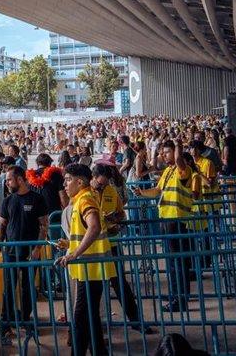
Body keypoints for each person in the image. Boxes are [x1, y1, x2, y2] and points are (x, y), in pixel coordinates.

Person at [57, 164, 116, 356]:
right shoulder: (81, 200)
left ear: (80, 182)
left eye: (68, 180)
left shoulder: (85, 200)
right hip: (90, 269)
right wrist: (70, 245)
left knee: (80, 318)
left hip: (91, 269)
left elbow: (94, 227)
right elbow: (86, 232)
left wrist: (74, 254)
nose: (65, 184)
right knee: (90, 316)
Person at [134, 140, 193, 312]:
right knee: (171, 262)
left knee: (178, 263)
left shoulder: (184, 170)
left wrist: (179, 147)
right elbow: (157, 191)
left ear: (175, 152)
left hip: (177, 221)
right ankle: (175, 294)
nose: (164, 155)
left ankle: (180, 299)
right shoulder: (167, 171)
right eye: (163, 152)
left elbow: (180, 160)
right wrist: (142, 193)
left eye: (167, 152)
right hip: (167, 220)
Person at [91, 163, 149, 333]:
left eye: (106, 183)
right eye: (100, 184)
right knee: (93, 289)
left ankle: (136, 320)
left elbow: (121, 214)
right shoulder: (85, 194)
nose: (103, 187)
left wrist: (115, 220)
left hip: (111, 244)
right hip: (92, 248)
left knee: (120, 284)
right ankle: (94, 326)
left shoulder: (111, 191)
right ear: (93, 178)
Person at [0, 165, 49, 332]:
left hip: (30, 252)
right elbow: (2, 224)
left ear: (20, 179)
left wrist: (37, 249)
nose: (6, 183)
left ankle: (26, 320)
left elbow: (44, 226)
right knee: (8, 287)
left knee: (28, 288)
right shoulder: (7, 201)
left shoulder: (37, 199)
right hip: (10, 251)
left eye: (9, 180)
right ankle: (6, 324)